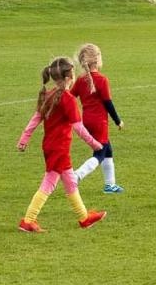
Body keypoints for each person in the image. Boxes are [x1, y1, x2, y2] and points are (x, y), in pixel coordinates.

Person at [15, 56, 107, 232]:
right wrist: (96, 145)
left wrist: (24, 139)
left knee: (71, 182)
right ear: (68, 78)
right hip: (60, 149)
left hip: (50, 147)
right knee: (48, 183)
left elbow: (36, 119)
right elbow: (78, 128)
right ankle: (28, 220)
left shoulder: (48, 95)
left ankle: (84, 218)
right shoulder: (68, 99)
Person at [71, 43, 126, 194]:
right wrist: (118, 121)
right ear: (98, 59)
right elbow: (108, 103)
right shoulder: (102, 80)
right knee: (100, 154)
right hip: (99, 122)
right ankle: (77, 175)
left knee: (108, 149)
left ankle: (110, 185)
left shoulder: (81, 80)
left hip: (86, 121)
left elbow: (70, 97)